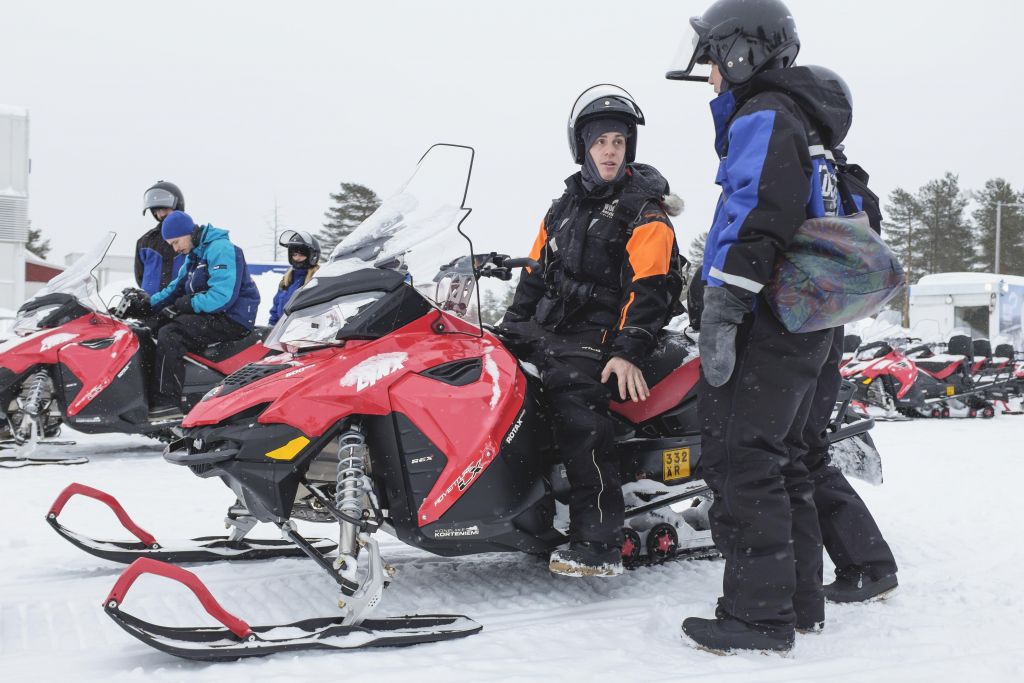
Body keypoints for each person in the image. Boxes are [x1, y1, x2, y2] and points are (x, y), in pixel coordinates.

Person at [665, 0, 839, 654]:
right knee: (783, 458)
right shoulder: (799, 118)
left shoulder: (763, 115)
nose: (709, 74)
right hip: (804, 318)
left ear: (742, 51)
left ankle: (757, 615)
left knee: (741, 460)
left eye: (713, 58)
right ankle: (798, 601)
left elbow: (757, 213)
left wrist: (726, 306)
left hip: (767, 317)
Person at [502, 84, 683, 578]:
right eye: (601, 141)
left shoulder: (644, 212)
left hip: (603, 334)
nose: (609, 150)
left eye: (619, 142)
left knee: (575, 405)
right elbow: (535, 275)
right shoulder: (562, 207)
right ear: (583, 147)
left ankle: (597, 537)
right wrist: (508, 330)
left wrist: (627, 350)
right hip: (552, 327)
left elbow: (648, 291)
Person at [142, 210, 261, 421]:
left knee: (171, 333)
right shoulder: (195, 255)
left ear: (189, 232)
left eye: (176, 241)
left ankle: (167, 404)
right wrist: (146, 305)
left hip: (233, 317)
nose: (175, 248)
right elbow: (175, 289)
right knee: (152, 327)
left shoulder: (221, 249)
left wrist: (186, 304)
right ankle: (147, 395)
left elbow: (222, 297)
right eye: (171, 244)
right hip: (213, 314)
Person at [137, 181, 188, 294]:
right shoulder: (145, 242)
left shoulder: (191, 239)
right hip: (151, 306)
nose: (161, 214)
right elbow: (140, 277)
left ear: (177, 206)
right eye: (156, 211)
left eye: (164, 209)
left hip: (182, 307)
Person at [269, 231, 322, 326]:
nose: (297, 258)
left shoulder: (317, 279)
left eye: (301, 255)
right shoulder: (287, 279)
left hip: (302, 331)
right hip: (280, 329)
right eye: (294, 255)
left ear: (312, 255)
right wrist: (271, 325)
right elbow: (276, 305)